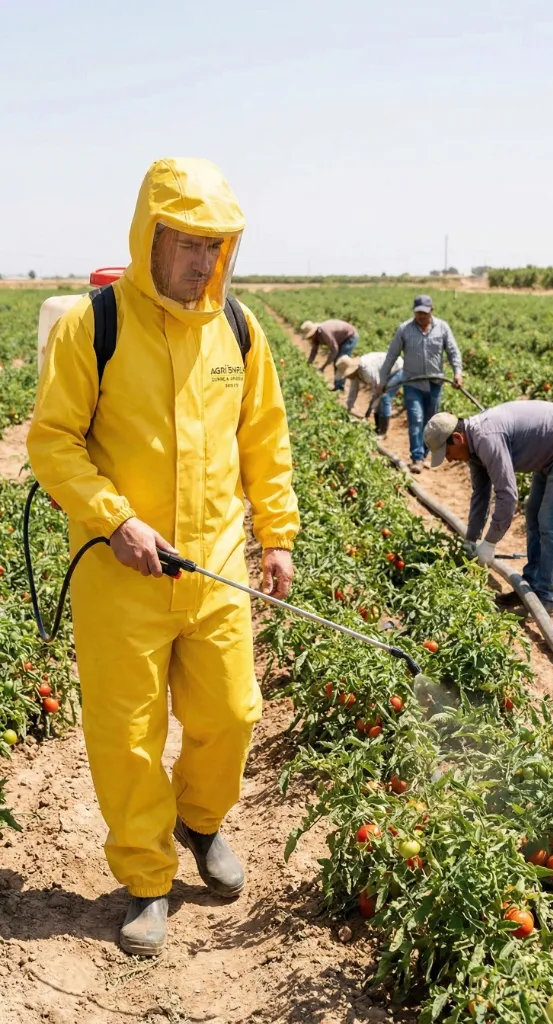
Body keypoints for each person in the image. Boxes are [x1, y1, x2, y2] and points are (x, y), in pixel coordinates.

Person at [27, 157, 299, 956]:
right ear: (149, 237)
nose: (202, 262)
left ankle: (199, 821)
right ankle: (147, 880)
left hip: (214, 567)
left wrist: (277, 532)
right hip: (122, 576)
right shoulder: (94, 326)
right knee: (129, 736)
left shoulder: (237, 330)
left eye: (216, 246)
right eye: (186, 243)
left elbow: (264, 438)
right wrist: (114, 520)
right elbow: (53, 442)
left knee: (233, 713)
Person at [423, 401, 553, 616]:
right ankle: (530, 587)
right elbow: (481, 495)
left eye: (447, 452)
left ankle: (547, 598)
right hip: (552, 452)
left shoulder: (486, 439)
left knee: (552, 524)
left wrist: (490, 543)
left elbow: (507, 495)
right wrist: (471, 539)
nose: (449, 460)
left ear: (458, 438)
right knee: (533, 512)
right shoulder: (473, 449)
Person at [378, 295, 462, 473]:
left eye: (424, 313)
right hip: (412, 382)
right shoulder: (405, 329)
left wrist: (457, 373)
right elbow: (392, 355)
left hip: (435, 382)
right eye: (418, 313)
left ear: (431, 310)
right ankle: (417, 457)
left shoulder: (442, 327)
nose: (421, 316)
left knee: (430, 421)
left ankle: (424, 453)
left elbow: (453, 352)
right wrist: (383, 379)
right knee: (415, 419)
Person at [335, 352, 404, 438]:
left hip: (398, 369)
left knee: (384, 398)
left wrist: (368, 412)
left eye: (347, 374)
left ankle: (383, 432)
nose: (347, 377)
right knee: (377, 401)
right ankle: (377, 428)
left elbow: (378, 390)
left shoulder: (367, 370)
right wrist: (349, 408)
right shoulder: (355, 375)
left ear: (352, 370)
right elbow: (353, 391)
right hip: (385, 373)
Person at [301, 318, 358, 391]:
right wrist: (308, 364)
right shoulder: (316, 336)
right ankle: (337, 386)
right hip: (341, 338)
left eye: (310, 336)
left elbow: (334, 350)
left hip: (350, 337)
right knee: (337, 361)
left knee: (340, 361)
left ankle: (339, 387)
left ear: (314, 332)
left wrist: (323, 367)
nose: (310, 338)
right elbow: (314, 351)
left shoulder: (324, 332)